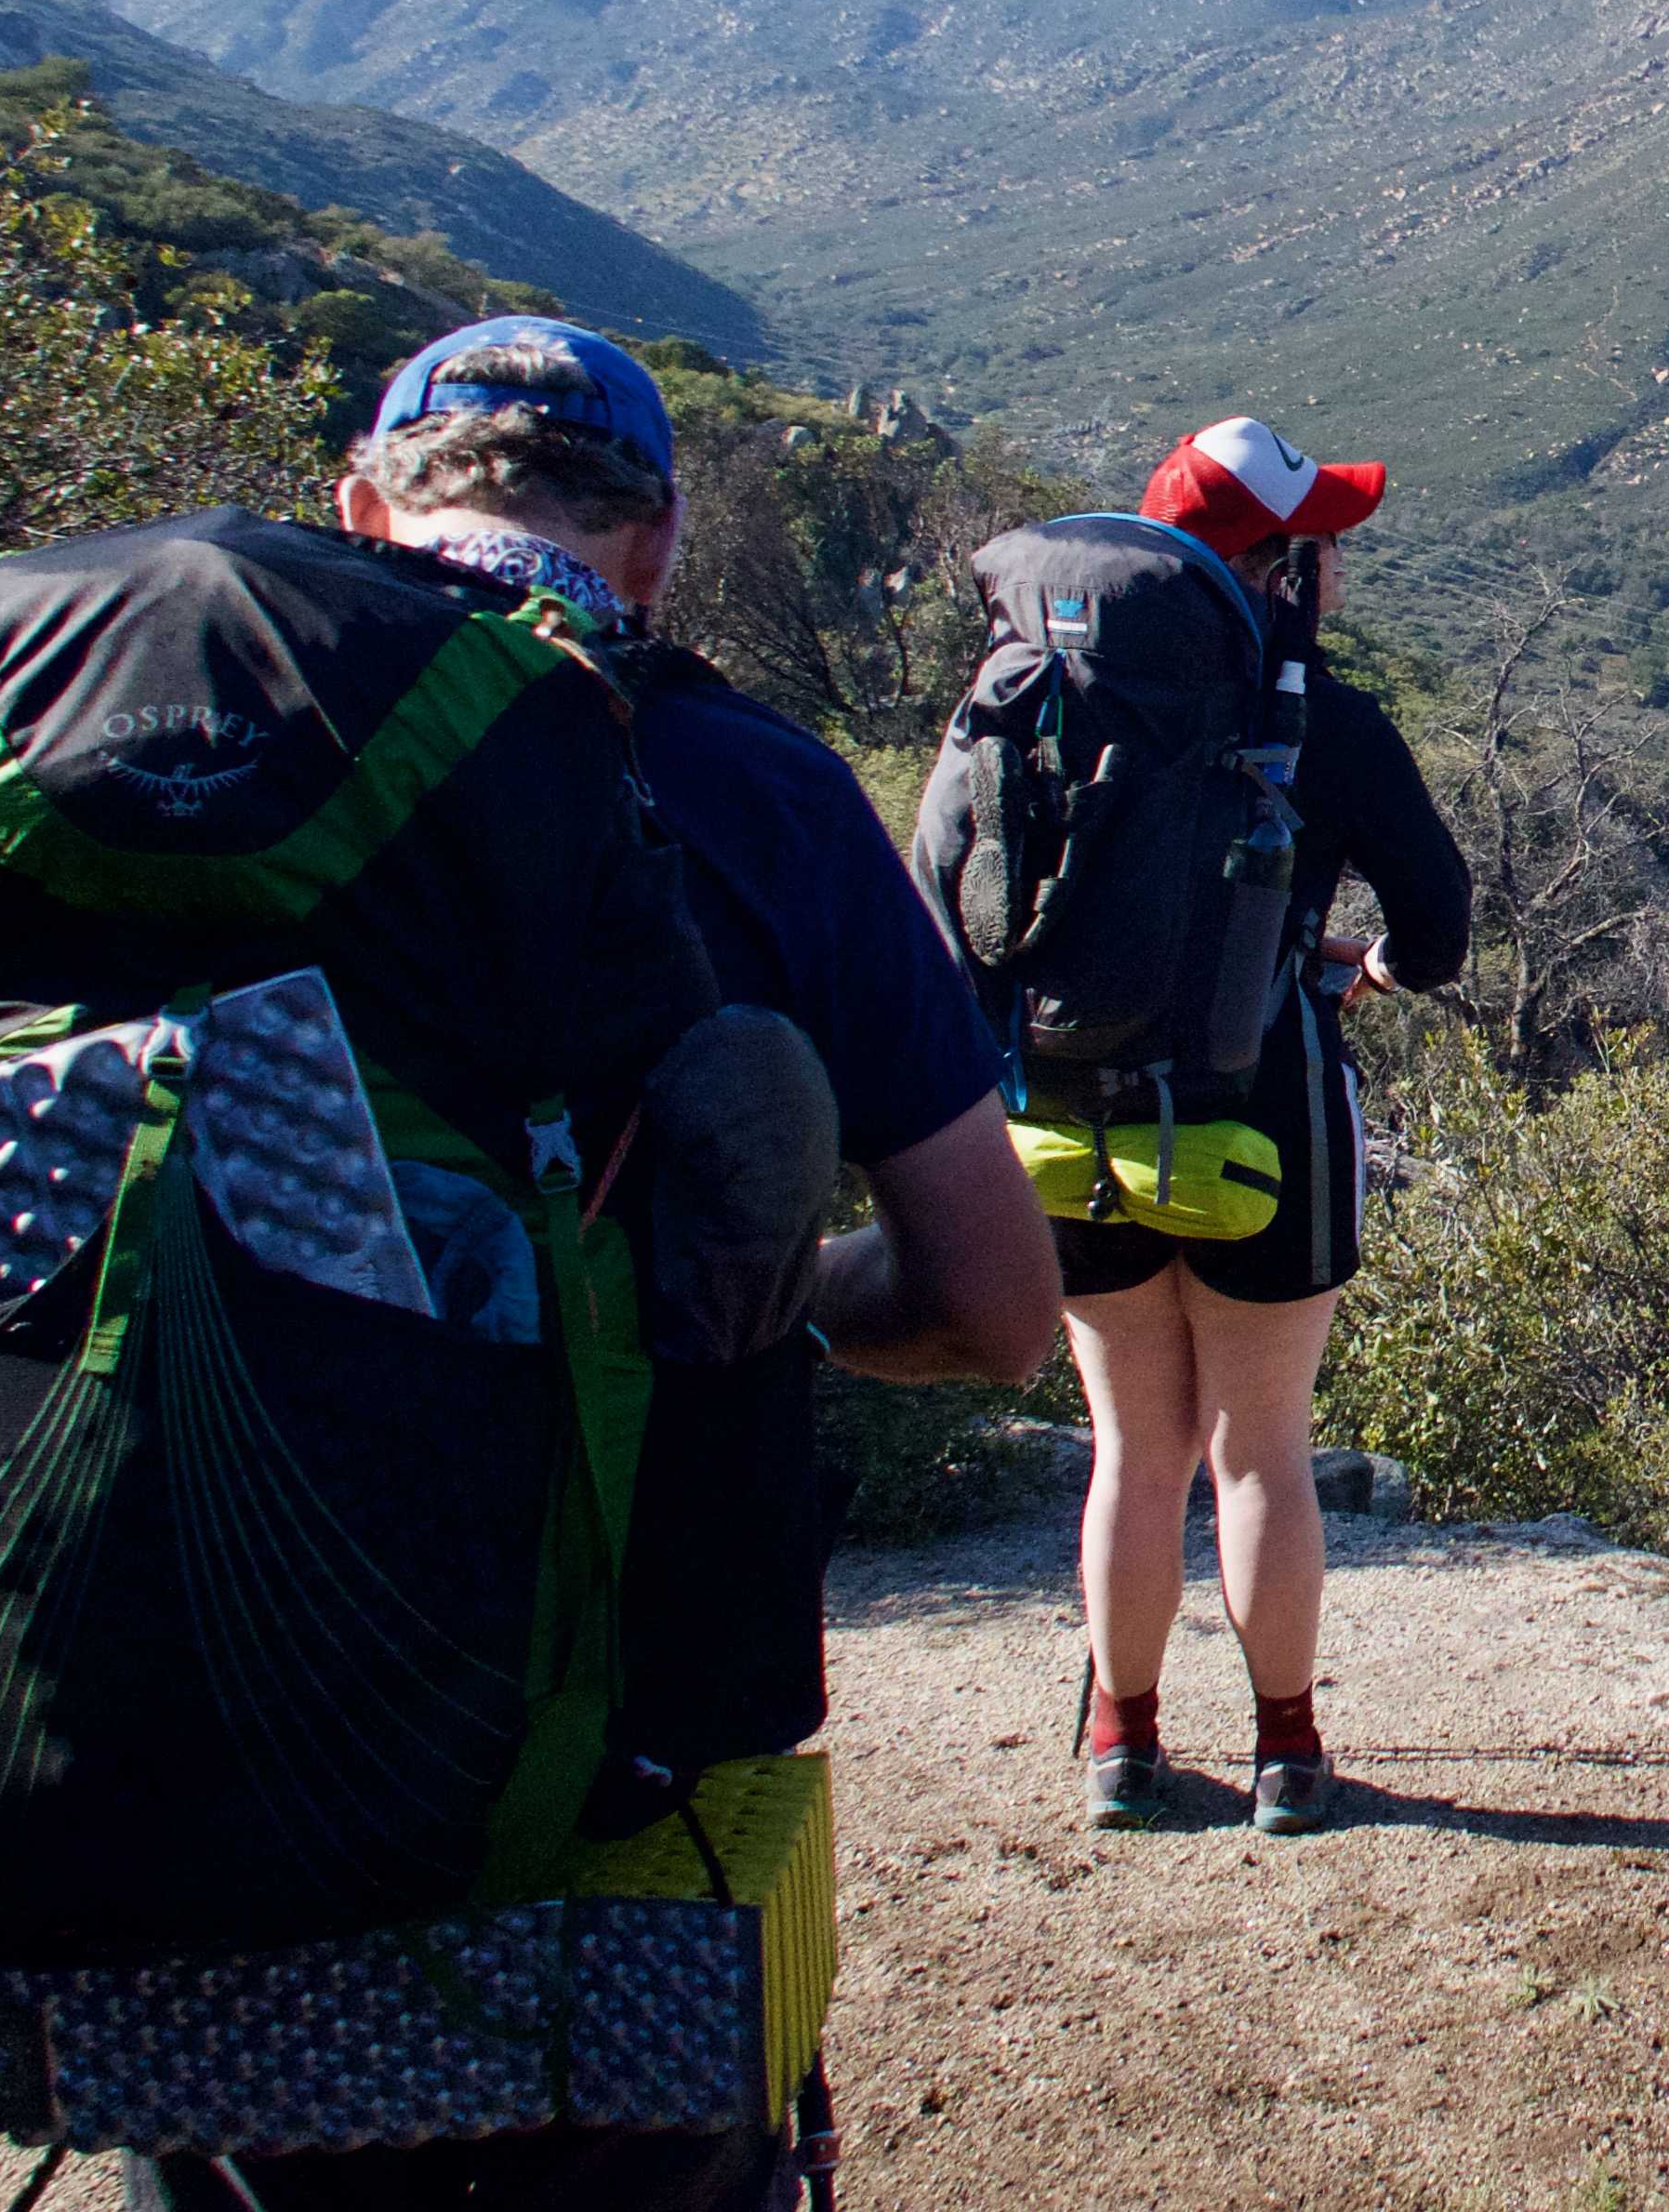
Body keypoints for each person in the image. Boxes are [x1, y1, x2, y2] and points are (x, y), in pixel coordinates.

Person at [107, 316, 1064, 2212]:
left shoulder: (147, 769)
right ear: (656, 545)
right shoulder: (754, 795)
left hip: (176, 1714)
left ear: (358, 514)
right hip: (619, 1748)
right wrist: (762, 1294)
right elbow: (996, 1309)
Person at [1047, 419, 1469, 1836]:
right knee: (1260, 1447)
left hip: (1079, 1117)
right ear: (1279, 568)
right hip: (1266, 1110)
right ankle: (1286, 1751)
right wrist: (1365, 966)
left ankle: (1124, 1738)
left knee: (1131, 1448)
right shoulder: (1329, 728)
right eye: (1325, 542)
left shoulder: (1055, 691)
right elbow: (1443, 929)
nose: (1341, 564)